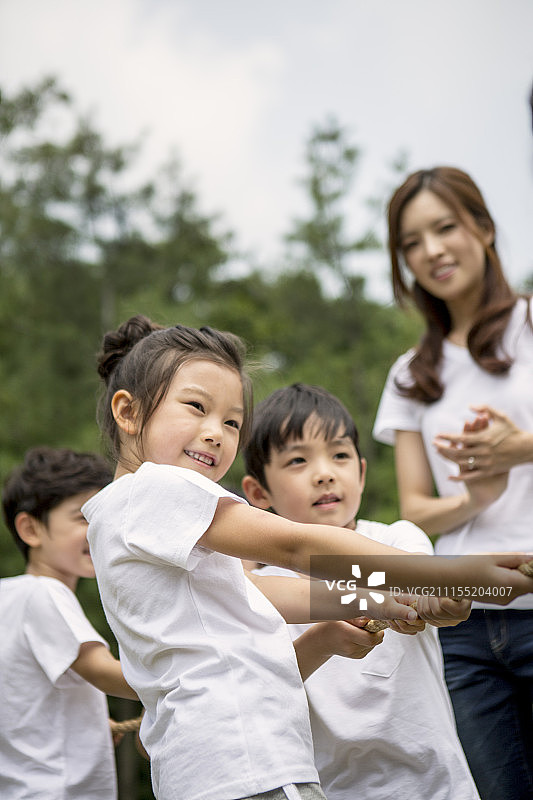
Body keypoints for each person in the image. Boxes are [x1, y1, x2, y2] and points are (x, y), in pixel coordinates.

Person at [83, 314, 533, 800]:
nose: (216, 433)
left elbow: (266, 593)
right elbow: (296, 546)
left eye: (232, 422)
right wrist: (446, 574)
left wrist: (382, 598)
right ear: (127, 413)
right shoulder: (156, 489)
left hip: (226, 766)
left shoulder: (130, 515)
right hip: (243, 764)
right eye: (196, 407)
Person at [373, 165, 533, 800]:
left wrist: (514, 448)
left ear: (485, 228)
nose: (431, 251)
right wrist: (474, 498)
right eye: (412, 242)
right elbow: (413, 508)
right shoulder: (410, 374)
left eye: (445, 228)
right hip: (462, 624)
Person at [242, 382, 481, 800]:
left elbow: (426, 588)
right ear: (258, 493)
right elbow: (261, 690)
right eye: (298, 460)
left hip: (436, 786)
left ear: (362, 471)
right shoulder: (262, 591)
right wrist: (323, 640)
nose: (324, 472)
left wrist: (445, 598)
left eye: (339, 455)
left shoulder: (398, 540)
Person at [0, 446, 139, 800]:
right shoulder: (45, 593)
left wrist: (87, 725)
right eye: (83, 518)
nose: (100, 531)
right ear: (30, 529)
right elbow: (104, 673)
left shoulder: (10, 598)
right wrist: (190, 681)